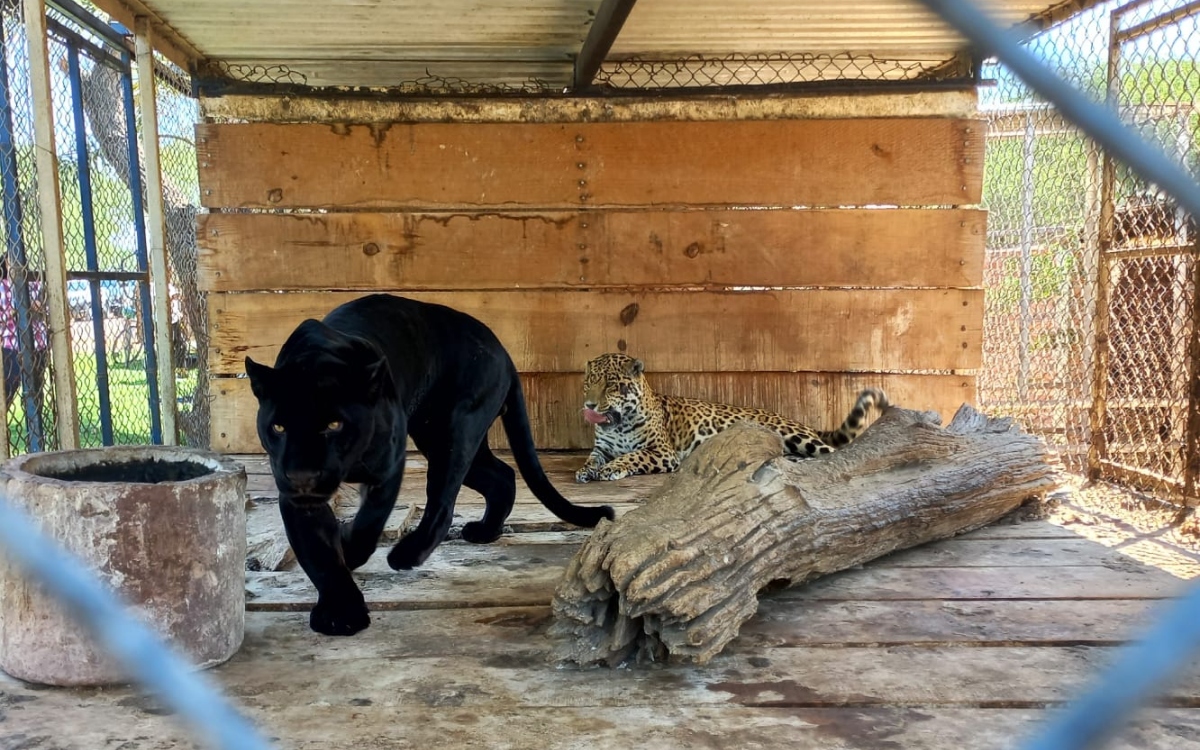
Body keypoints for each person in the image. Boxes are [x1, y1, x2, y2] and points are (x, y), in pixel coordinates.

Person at [0, 273, 49, 415]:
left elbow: (44, 307)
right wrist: (20, 309)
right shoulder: (3, 286)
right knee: (6, 393)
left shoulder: (34, 283)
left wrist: (26, 308)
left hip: (37, 346)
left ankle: (36, 423)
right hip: (11, 347)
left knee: (35, 395)